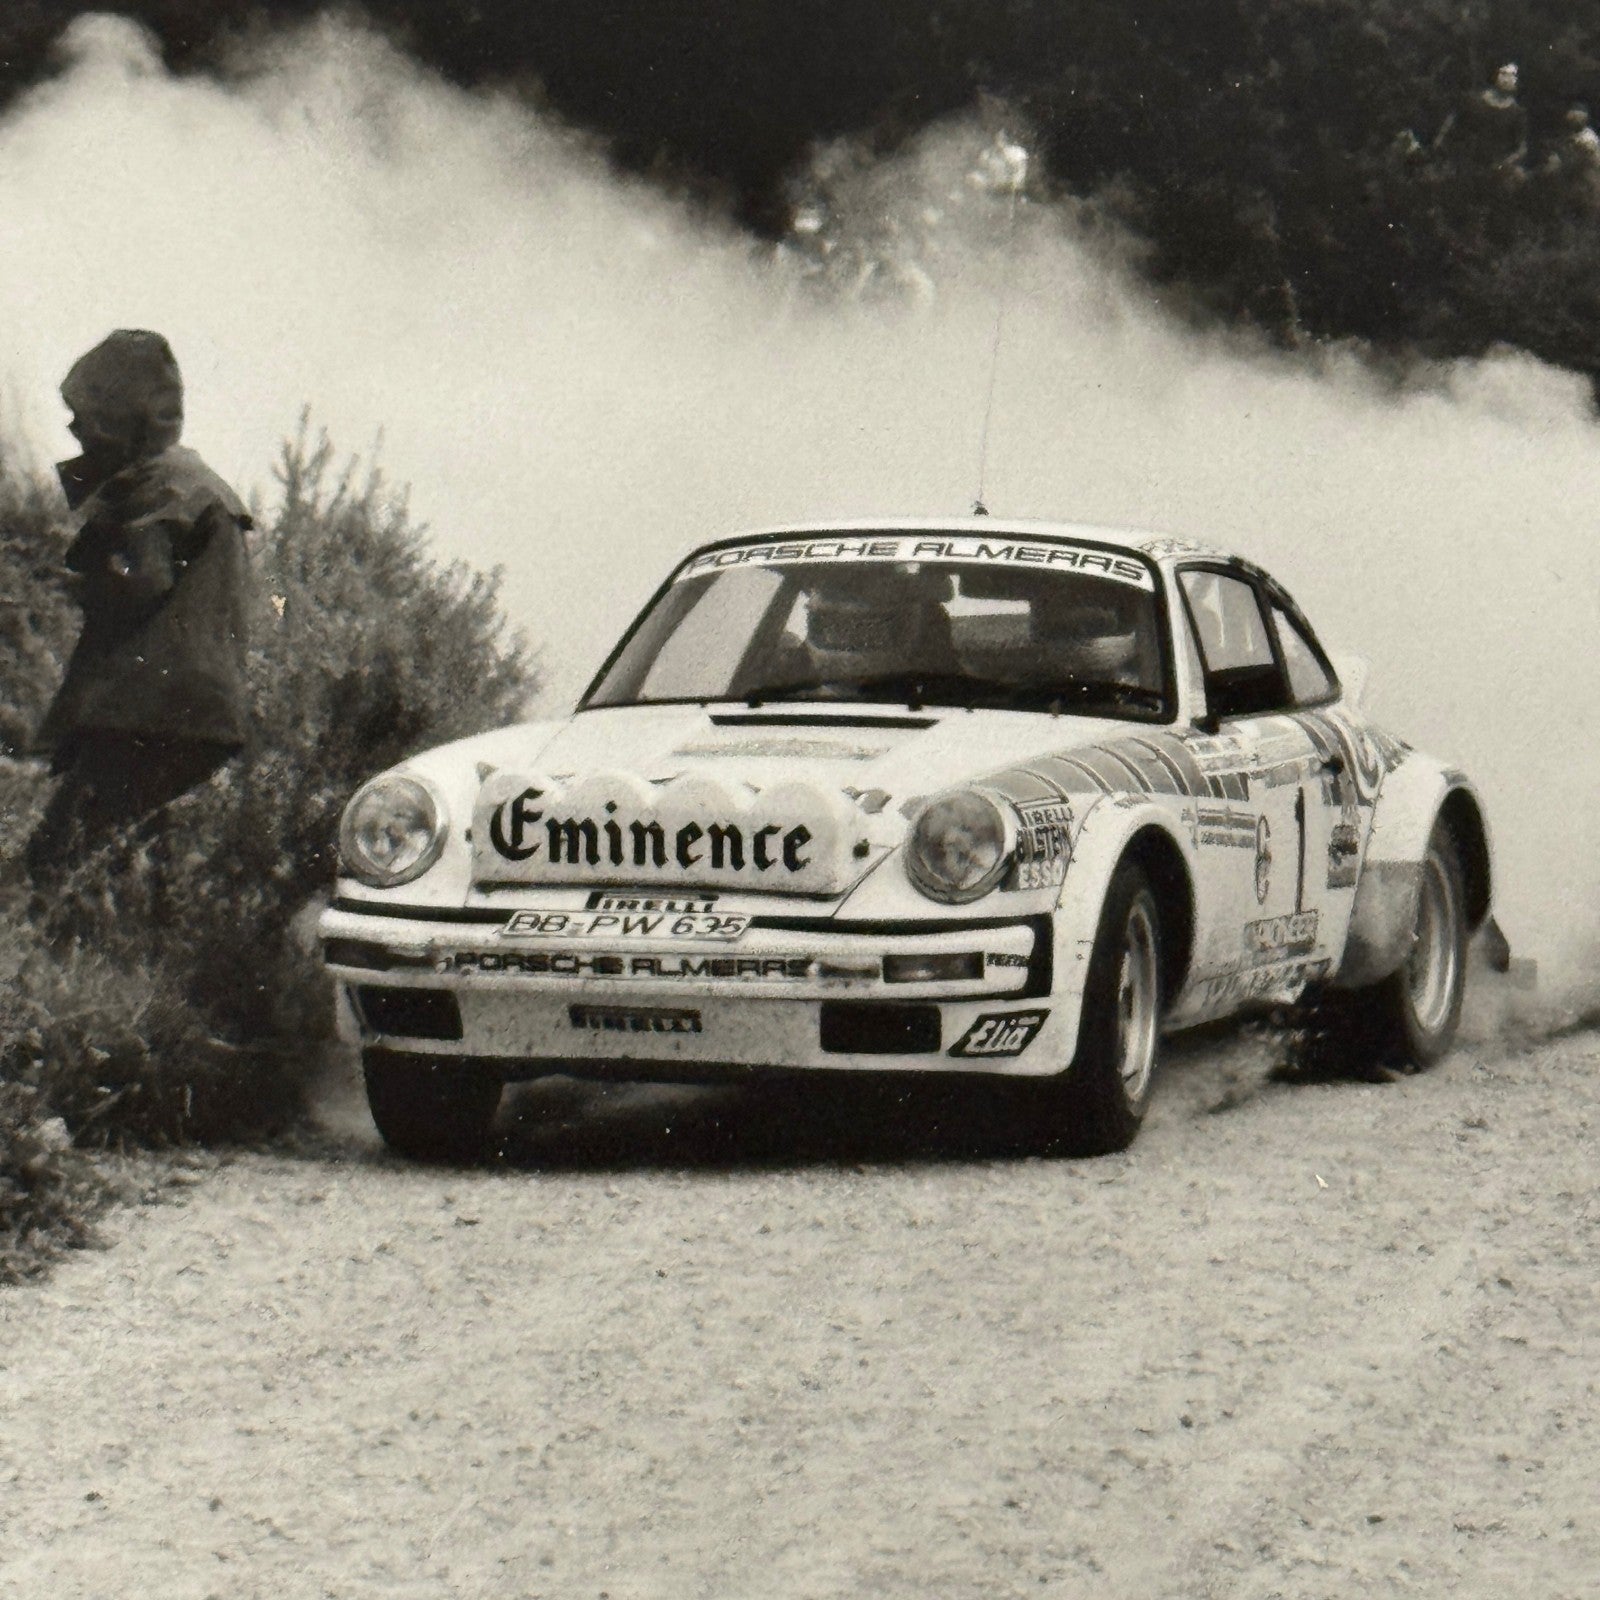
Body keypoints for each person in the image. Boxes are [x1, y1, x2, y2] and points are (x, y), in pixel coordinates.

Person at [25, 330, 253, 902]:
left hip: (152, 710)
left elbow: (140, 583)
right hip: (195, 713)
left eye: (87, 415)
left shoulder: (157, 488)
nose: (77, 429)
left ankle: (57, 957)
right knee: (112, 850)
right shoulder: (195, 481)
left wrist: (72, 580)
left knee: (56, 857)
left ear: (122, 417)